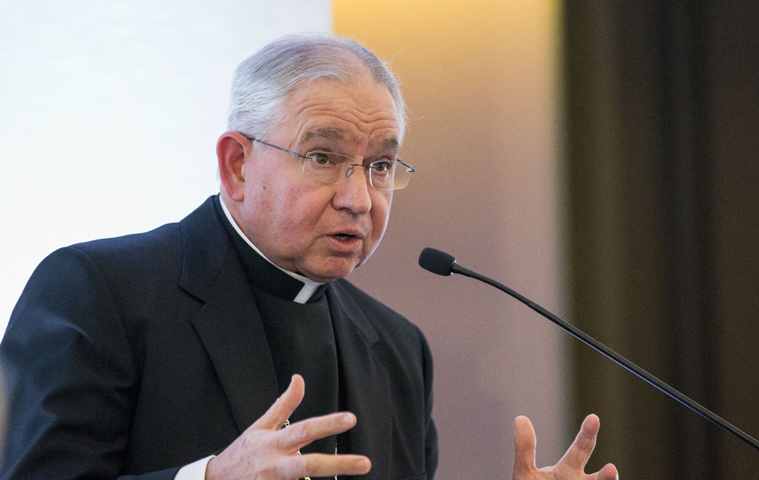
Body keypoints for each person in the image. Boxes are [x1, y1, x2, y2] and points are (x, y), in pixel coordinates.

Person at [0, 33, 617, 480]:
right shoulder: (97, 292)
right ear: (237, 164)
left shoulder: (398, 348)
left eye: (379, 166)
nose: (358, 199)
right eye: (323, 158)